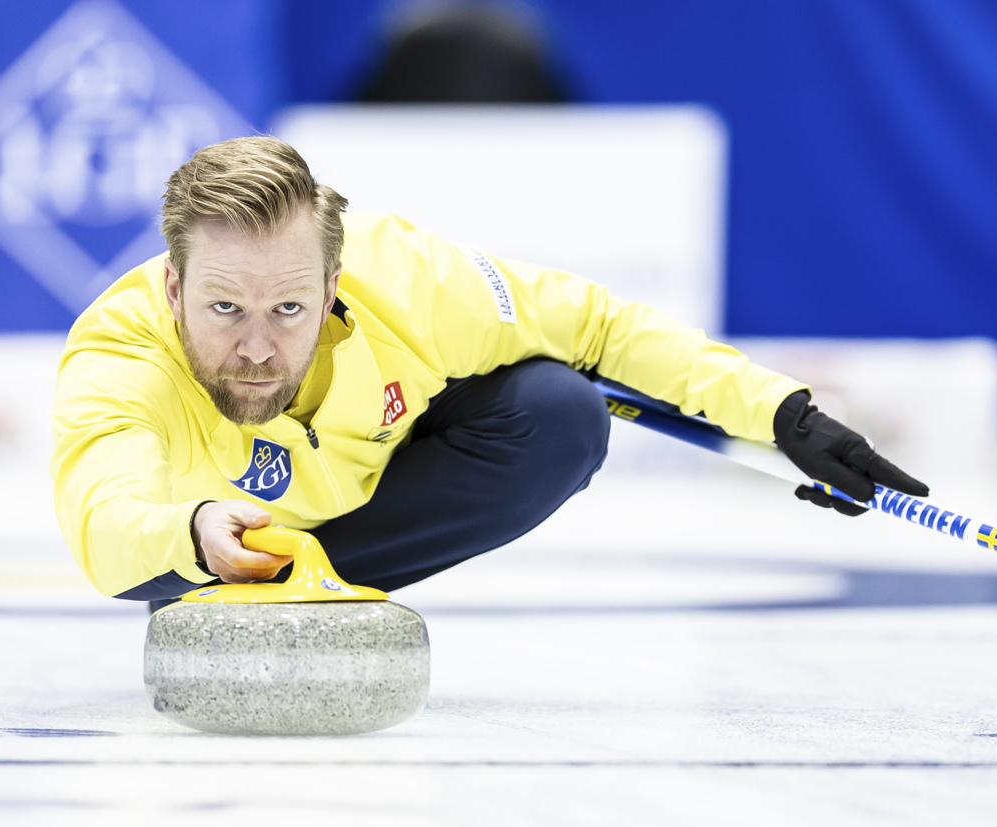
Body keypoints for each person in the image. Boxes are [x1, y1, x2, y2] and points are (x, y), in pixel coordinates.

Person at [51, 136, 928, 607]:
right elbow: (104, 517)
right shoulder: (122, 351)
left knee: (561, 408)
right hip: (203, 551)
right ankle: (245, 584)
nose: (254, 348)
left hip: (357, 508)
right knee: (151, 551)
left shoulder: (408, 280)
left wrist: (780, 414)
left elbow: (597, 325)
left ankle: (310, 592)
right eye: (223, 310)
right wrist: (194, 528)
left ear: (333, 285)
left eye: (288, 310)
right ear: (172, 287)